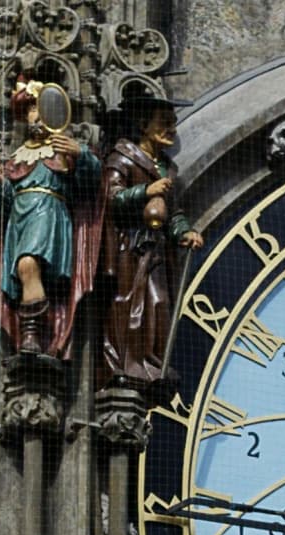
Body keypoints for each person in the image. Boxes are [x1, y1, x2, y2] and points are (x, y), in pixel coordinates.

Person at [0, 80, 100, 358]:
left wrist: (80, 154)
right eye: (31, 109)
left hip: (49, 213)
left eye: (40, 107)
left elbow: (89, 185)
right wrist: (0, 183)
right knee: (25, 271)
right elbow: (6, 206)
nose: (36, 114)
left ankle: (34, 334)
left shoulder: (62, 149)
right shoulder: (17, 157)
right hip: (20, 221)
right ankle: (31, 333)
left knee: (27, 266)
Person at [97, 104, 200, 386]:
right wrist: (146, 191)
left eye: (174, 122)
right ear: (144, 125)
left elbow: (173, 212)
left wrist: (184, 232)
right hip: (129, 247)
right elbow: (111, 197)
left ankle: (151, 362)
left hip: (156, 249)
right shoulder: (123, 158)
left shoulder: (167, 168)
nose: (172, 129)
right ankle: (128, 363)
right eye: (164, 121)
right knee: (132, 304)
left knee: (159, 303)